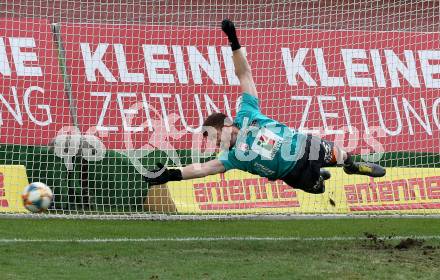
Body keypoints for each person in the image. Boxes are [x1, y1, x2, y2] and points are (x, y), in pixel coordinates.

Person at [144, 19, 386, 194]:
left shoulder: (247, 113)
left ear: (228, 124)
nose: (217, 145)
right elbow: (203, 169)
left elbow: (245, 75)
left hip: (304, 144)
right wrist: (172, 175)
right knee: (319, 190)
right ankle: (319, 175)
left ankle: (352, 167)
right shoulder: (233, 157)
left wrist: (234, 41)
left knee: (341, 154)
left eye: (217, 138)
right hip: (292, 173)